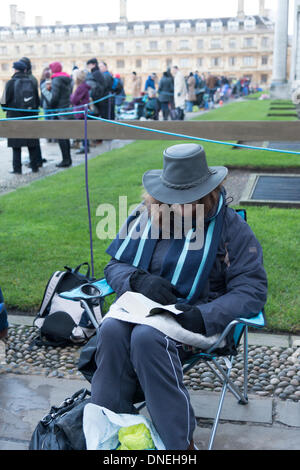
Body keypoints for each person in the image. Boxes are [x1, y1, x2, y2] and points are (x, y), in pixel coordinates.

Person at [90, 143, 268, 450]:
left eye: (186, 202)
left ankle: (178, 445)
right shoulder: (145, 215)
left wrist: (204, 315)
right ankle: (113, 431)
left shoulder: (231, 228)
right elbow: (115, 265)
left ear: (207, 196)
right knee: (110, 330)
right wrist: (137, 279)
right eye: (170, 200)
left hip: (199, 319)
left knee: (147, 339)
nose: (175, 208)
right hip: (143, 311)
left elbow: (251, 289)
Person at [1, 60, 40, 174]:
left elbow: (3, 102)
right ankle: (34, 167)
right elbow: (37, 101)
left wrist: (6, 108)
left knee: (16, 146)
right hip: (30, 117)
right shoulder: (32, 82)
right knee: (32, 144)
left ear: (15, 70)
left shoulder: (10, 83)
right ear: (25, 70)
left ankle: (17, 169)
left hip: (15, 118)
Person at [20, 57, 46, 168]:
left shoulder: (29, 79)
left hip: (30, 111)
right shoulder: (31, 78)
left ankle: (35, 161)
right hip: (33, 110)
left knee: (32, 137)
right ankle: (37, 159)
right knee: (34, 137)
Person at [48, 62, 73, 168]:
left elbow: (55, 97)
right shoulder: (67, 78)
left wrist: (50, 105)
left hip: (60, 109)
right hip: (67, 107)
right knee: (65, 135)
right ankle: (68, 159)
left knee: (61, 136)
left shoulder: (56, 80)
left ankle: (65, 160)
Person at [70, 69, 91, 154]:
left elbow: (74, 100)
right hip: (81, 111)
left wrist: (71, 96)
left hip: (81, 111)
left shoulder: (81, 87)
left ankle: (85, 147)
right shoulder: (81, 86)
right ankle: (85, 146)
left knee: (83, 131)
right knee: (83, 130)